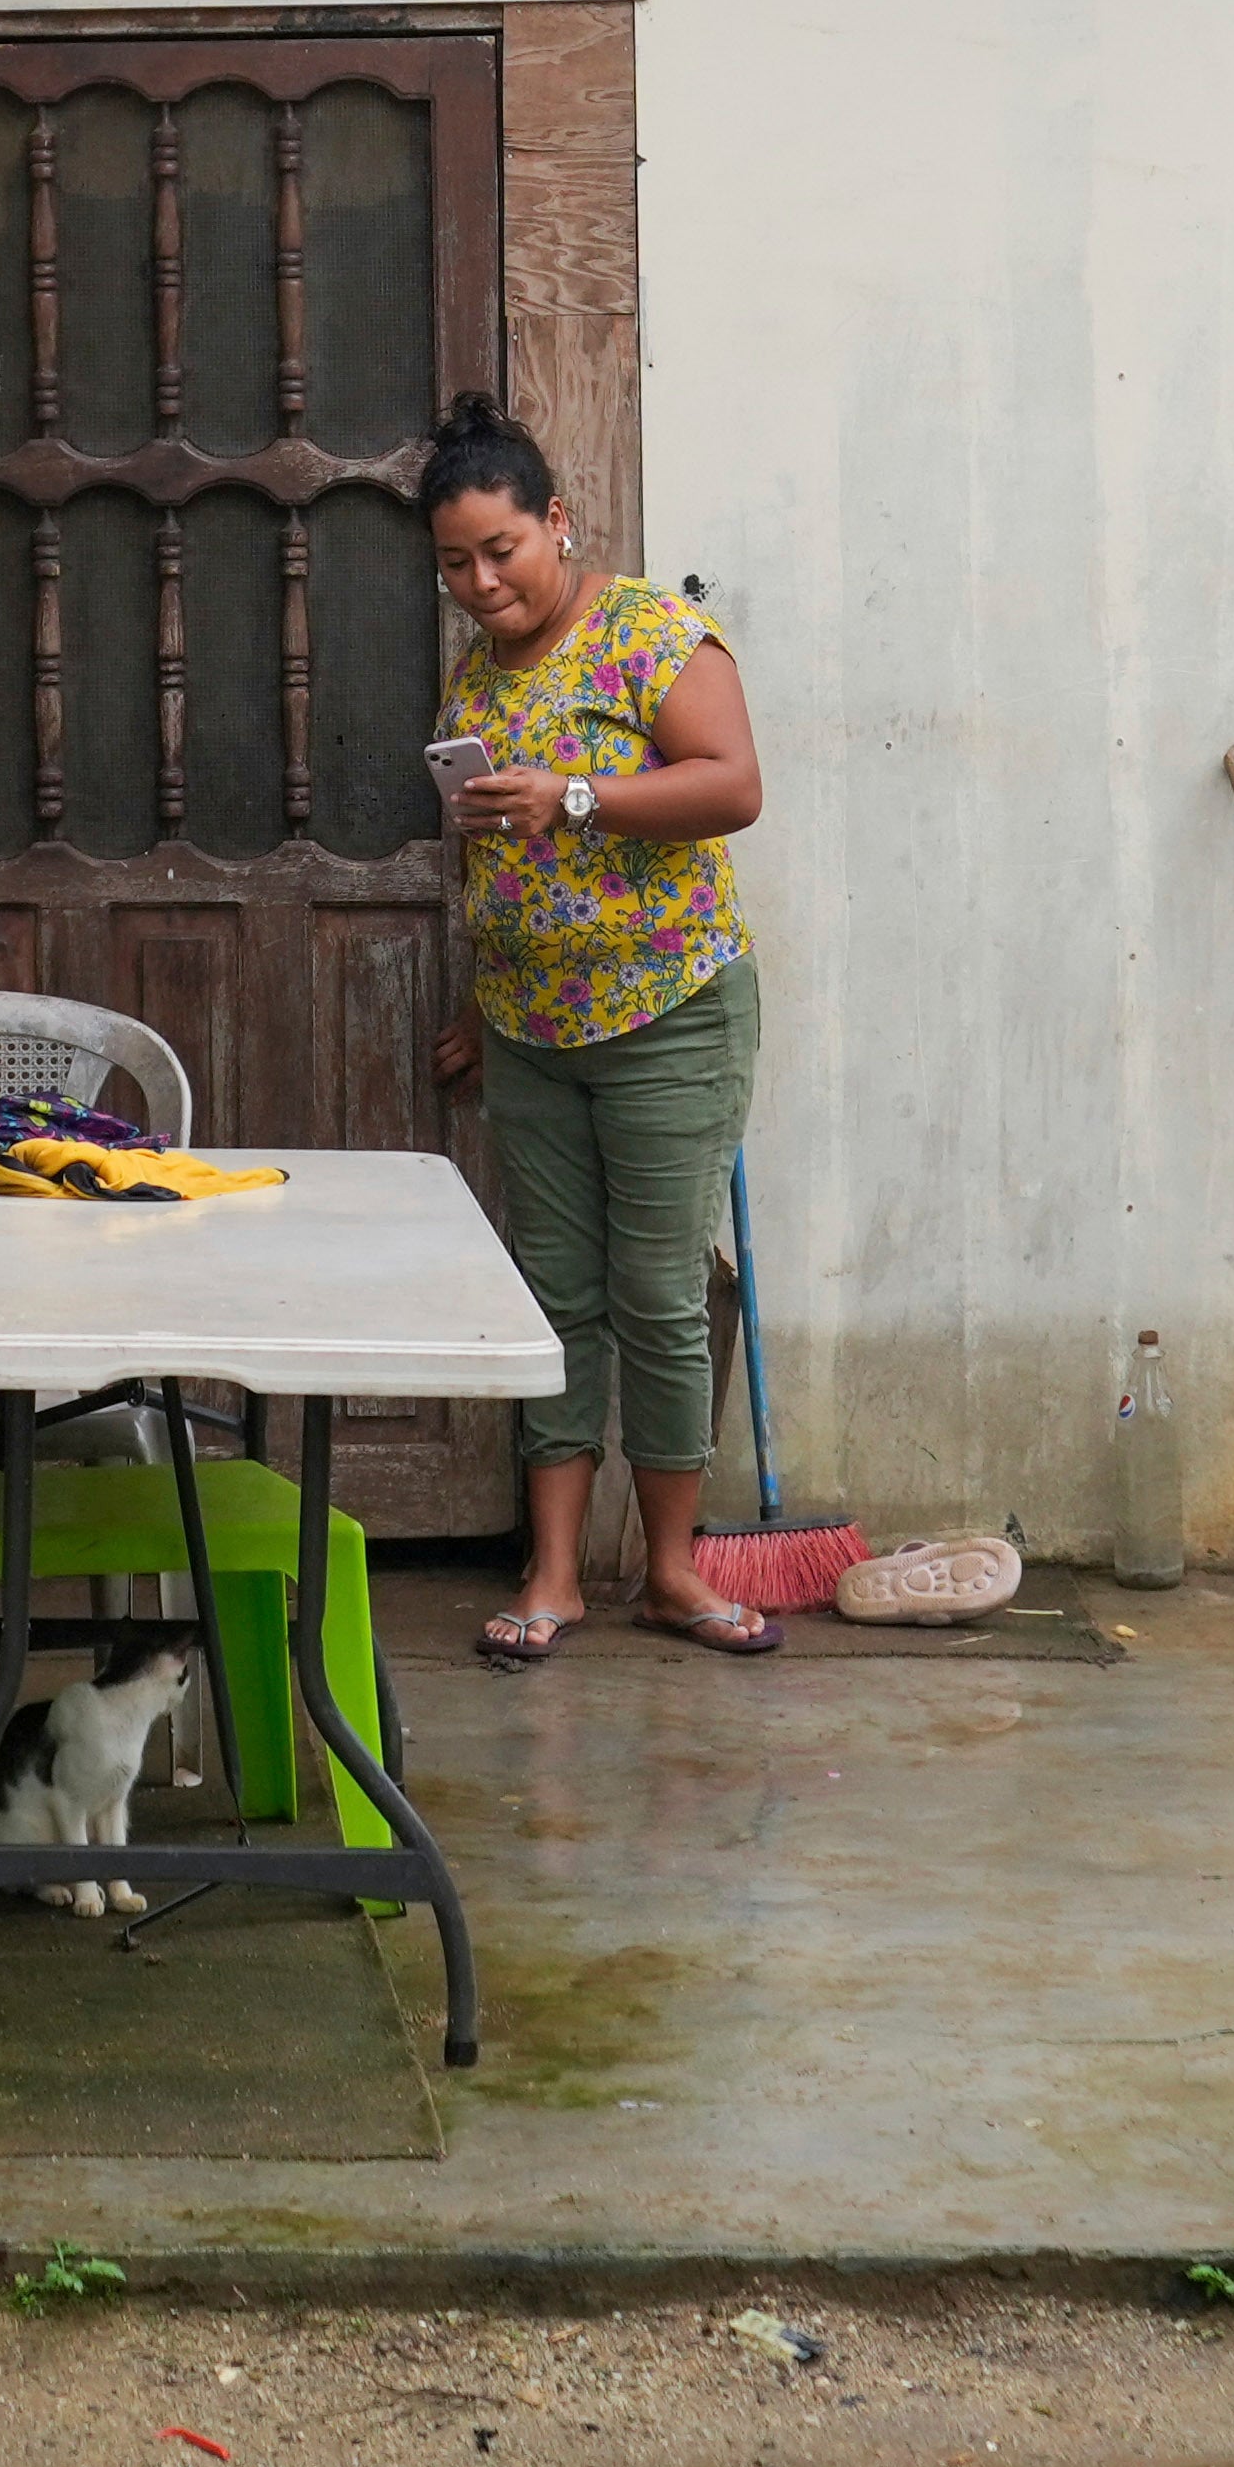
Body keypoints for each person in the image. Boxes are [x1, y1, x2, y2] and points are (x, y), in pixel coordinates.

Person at [414, 391, 774, 1661]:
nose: (480, 580)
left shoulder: (651, 632)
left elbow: (731, 786)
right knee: (553, 1296)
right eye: (454, 561)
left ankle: (671, 1569)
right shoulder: (477, 668)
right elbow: (501, 867)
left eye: (500, 550)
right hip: (529, 1028)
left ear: (557, 522)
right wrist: (478, 999)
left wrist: (573, 793)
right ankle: (555, 1571)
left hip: (667, 1012)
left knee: (659, 1293)